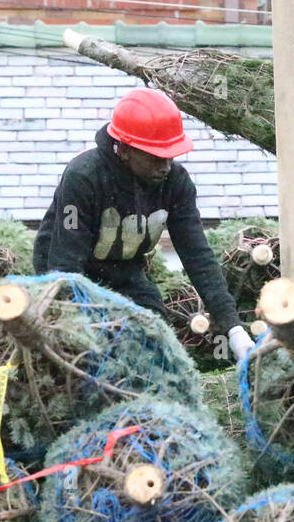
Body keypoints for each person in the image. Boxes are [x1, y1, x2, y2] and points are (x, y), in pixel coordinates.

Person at [33, 86, 254, 361]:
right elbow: (64, 266)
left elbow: (197, 256)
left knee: (155, 342)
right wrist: (72, 326)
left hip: (124, 274)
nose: (165, 166)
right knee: (94, 352)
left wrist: (233, 327)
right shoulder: (84, 177)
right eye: (155, 157)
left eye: (170, 156)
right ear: (125, 150)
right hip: (63, 277)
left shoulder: (175, 182)